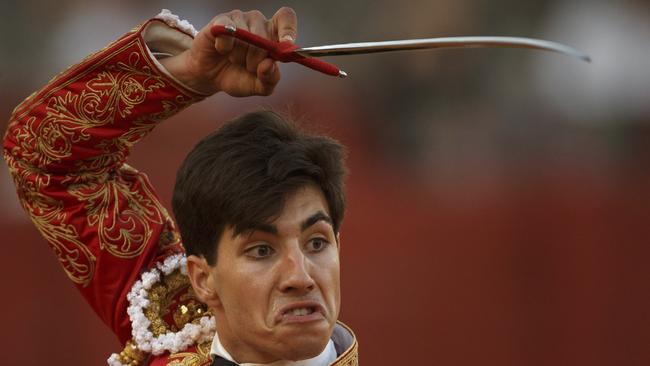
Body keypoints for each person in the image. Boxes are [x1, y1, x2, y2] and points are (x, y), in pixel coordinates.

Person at [3, 7, 358, 366]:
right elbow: (44, 153)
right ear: (202, 281)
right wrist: (190, 73)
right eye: (261, 250)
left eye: (316, 243)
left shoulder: (168, 323)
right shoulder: (171, 317)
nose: (300, 277)